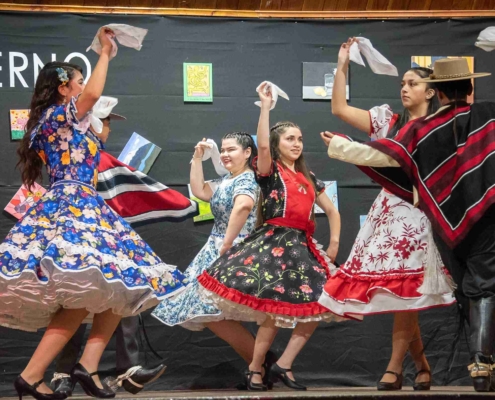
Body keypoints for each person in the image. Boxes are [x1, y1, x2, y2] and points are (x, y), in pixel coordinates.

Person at [0, 27, 184, 400]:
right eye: (79, 82)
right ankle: (32, 375)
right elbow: (94, 96)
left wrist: (101, 122)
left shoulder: (69, 123)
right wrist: (104, 53)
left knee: (121, 283)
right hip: (70, 205)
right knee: (84, 292)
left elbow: (94, 141)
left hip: (88, 203)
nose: (85, 88)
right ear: (63, 87)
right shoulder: (54, 117)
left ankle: (87, 366)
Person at [320, 57, 494, 392]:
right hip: (474, 212)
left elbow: (384, 156)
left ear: (436, 92)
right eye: (403, 83)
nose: (405, 88)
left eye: (413, 83)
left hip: (437, 219)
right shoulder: (485, 114)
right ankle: (467, 364)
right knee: (474, 286)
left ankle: (470, 363)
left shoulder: (423, 129)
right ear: (469, 87)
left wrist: (340, 146)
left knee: (463, 288)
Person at [51, 96, 200, 396]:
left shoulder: (98, 156)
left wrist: (180, 203)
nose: (108, 128)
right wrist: (179, 203)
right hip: (82, 239)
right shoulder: (78, 155)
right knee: (77, 301)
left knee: (126, 293)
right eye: (105, 122)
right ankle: (64, 372)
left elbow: (132, 186)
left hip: (107, 239)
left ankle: (125, 370)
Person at [197, 83, 342, 391]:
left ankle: (283, 364)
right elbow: (261, 147)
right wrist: (265, 108)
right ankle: (255, 369)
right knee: (273, 312)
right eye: (290, 138)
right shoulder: (270, 170)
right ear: (277, 144)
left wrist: (333, 244)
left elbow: (332, 211)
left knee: (324, 303)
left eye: (300, 139)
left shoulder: (308, 177)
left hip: (303, 247)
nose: (297, 143)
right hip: (275, 243)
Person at [152, 132, 263, 371]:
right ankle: (260, 365)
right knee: (207, 310)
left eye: (231, 149)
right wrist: (197, 158)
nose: (224, 154)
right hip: (216, 247)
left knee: (210, 308)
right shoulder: (228, 180)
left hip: (234, 249)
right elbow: (199, 190)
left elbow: (244, 205)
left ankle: (260, 366)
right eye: (222, 150)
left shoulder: (247, 179)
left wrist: (227, 244)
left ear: (247, 153)